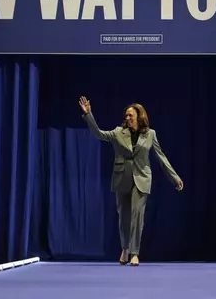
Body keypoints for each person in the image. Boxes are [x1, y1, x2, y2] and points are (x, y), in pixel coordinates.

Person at [78, 96, 183, 266]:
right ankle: (125, 249)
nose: (127, 118)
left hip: (142, 178)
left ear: (139, 117)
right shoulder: (118, 132)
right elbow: (99, 134)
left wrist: (174, 177)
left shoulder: (150, 134)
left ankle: (135, 253)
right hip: (122, 178)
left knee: (137, 216)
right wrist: (89, 115)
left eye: (130, 115)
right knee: (124, 218)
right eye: (126, 115)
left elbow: (161, 157)